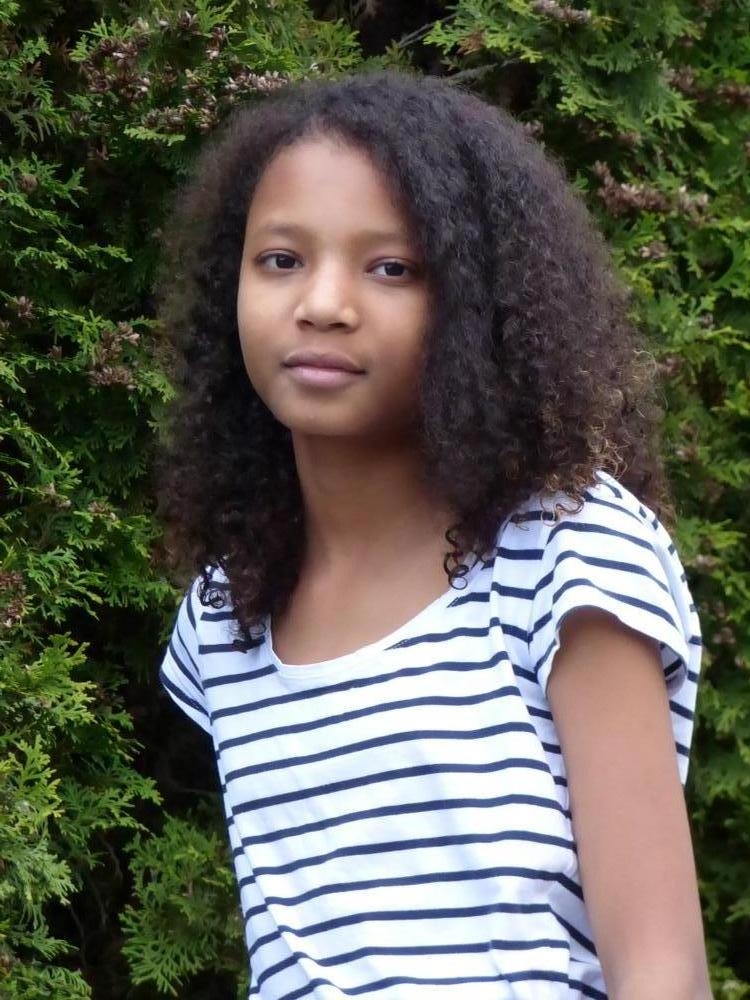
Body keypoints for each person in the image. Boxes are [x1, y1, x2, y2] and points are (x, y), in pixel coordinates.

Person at [154, 69, 712, 1000]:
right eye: (281, 259)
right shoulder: (226, 614)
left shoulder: (566, 557)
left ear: (475, 309)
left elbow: (662, 972)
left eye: (392, 269)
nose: (322, 303)